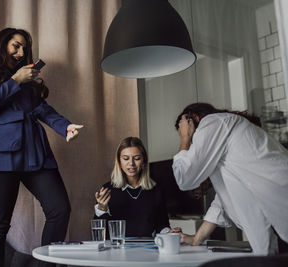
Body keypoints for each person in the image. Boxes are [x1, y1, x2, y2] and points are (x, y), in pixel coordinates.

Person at [0, 28, 83, 267]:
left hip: (35, 154)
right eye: (15, 45)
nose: (20, 52)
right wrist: (16, 80)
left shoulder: (27, 82)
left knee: (59, 209)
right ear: (2, 44)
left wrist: (65, 127)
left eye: (24, 49)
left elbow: (42, 109)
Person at [172, 102, 288, 255]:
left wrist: (184, 139)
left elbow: (184, 177)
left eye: (184, 129)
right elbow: (222, 200)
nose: (193, 143)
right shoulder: (227, 137)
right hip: (276, 213)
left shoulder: (212, 123)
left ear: (192, 118)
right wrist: (196, 238)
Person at [94, 137, 170, 237]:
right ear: (119, 162)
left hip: (147, 249)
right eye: (126, 158)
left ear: (143, 161)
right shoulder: (108, 190)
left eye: (137, 158)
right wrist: (101, 208)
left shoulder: (156, 190)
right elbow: (99, 233)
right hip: (116, 249)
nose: (131, 163)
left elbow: (162, 225)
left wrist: (170, 233)